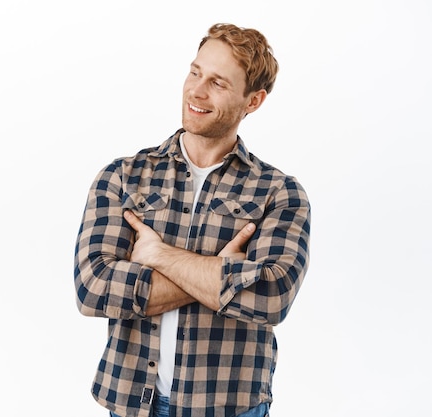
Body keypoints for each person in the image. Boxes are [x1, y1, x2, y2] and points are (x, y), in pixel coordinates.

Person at [73, 22, 311, 417]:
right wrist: (220, 273)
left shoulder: (279, 193)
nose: (196, 91)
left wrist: (158, 255)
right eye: (195, 72)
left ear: (253, 101)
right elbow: (93, 288)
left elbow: (271, 298)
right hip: (132, 402)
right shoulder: (123, 176)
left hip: (229, 407)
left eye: (218, 83)